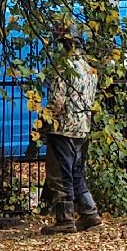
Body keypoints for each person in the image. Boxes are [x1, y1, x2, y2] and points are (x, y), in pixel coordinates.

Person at [42, 28, 101, 234]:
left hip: (63, 129)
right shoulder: (89, 69)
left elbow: (57, 101)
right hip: (82, 127)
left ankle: (65, 219)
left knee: (60, 175)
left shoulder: (64, 68)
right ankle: (89, 212)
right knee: (76, 173)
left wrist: (44, 122)